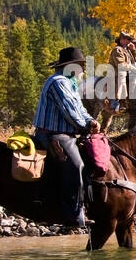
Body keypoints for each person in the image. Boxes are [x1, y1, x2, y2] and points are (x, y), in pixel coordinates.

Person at [33, 47, 100, 227]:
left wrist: (91, 121)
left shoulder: (69, 83)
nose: (83, 70)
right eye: (80, 65)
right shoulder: (58, 82)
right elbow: (70, 112)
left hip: (64, 133)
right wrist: (85, 126)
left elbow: (80, 109)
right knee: (76, 164)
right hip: (52, 134)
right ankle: (71, 213)